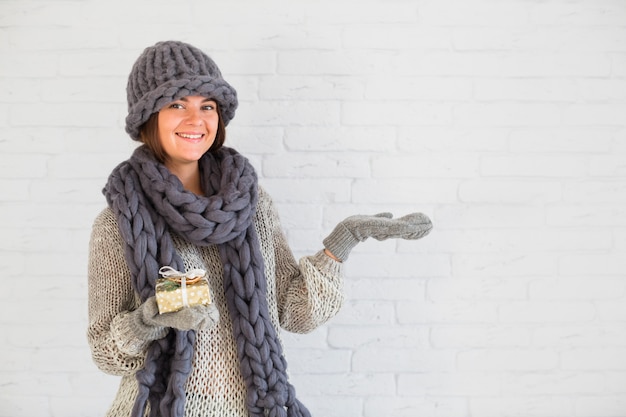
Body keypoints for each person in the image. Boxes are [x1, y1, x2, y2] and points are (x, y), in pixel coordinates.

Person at [87, 40, 432, 417]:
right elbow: (106, 352)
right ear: (146, 119)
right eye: (176, 105)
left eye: (207, 106)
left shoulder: (252, 206)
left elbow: (293, 311)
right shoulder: (117, 224)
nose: (195, 119)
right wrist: (148, 319)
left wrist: (341, 243)